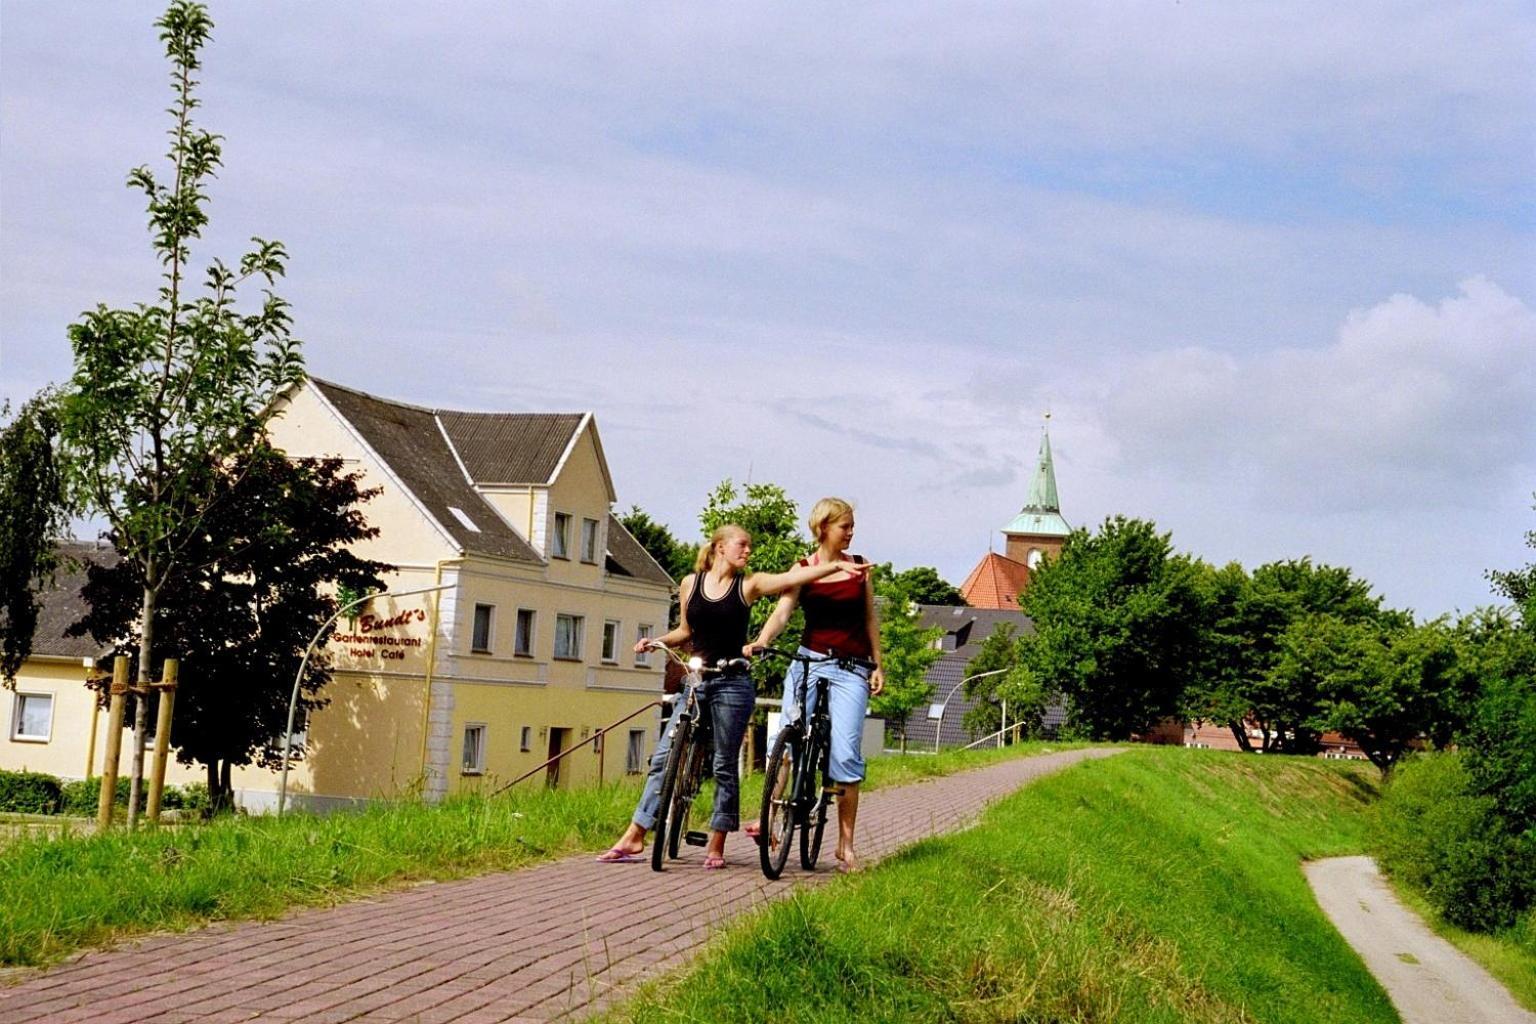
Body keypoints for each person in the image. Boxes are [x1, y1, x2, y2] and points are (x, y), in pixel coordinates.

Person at [596, 523, 868, 869]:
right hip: (697, 679)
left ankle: (717, 842)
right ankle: (635, 834)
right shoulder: (689, 584)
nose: (748, 551)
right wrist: (659, 642)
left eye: (750, 546)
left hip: (733, 683)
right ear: (720, 547)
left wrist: (835, 566)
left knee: (725, 764)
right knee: (663, 758)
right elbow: (686, 630)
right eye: (742, 544)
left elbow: (788, 580)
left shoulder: (748, 586)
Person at [750, 497, 883, 873]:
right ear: (824, 528)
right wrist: (762, 641)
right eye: (845, 526)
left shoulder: (860, 568)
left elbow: (870, 618)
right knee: (788, 740)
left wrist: (878, 664)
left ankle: (845, 846)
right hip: (809, 660)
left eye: (852, 525)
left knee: (844, 755)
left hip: (851, 667)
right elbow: (782, 612)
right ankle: (769, 817)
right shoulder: (804, 568)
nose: (851, 532)